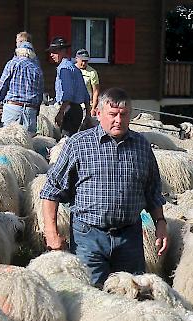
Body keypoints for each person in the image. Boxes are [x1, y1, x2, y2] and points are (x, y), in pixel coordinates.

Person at [40, 87, 168, 287]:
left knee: (132, 298)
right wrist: (51, 232)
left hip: (129, 238)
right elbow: (52, 189)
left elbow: (152, 191)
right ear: (98, 114)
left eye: (123, 115)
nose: (118, 120)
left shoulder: (142, 146)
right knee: (92, 297)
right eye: (113, 114)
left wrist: (160, 222)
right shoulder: (78, 144)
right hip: (89, 237)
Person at [0, 42, 44, 134]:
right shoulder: (37, 68)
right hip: (30, 110)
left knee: (8, 140)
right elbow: (40, 93)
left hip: (13, 108)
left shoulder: (12, 63)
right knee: (28, 142)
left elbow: (2, 85)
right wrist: (35, 111)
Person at [45, 36, 90, 137]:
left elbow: (68, 93)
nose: (51, 55)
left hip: (68, 110)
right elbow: (86, 95)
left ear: (63, 51)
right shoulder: (74, 68)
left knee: (65, 142)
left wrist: (61, 113)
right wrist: (88, 115)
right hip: (76, 110)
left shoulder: (64, 69)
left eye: (54, 51)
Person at [75, 48, 100, 117]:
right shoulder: (71, 70)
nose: (84, 63)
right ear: (77, 59)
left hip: (86, 106)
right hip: (73, 104)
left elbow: (95, 91)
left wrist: (93, 108)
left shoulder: (92, 72)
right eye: (82, 61)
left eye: (86, 61)